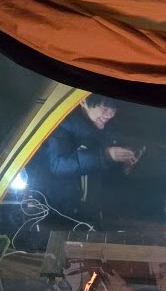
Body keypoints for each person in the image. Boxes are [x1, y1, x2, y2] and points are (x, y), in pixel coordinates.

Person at [34, 94, 137, 222]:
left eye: (114, 109)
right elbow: (58, 165)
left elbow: (101, 169)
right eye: (104, 109)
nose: (110, 115)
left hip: (92, 209)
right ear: (83, 101)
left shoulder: (105, 127)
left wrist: (123, 163)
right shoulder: (61, 124)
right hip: (63, 210)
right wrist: (105, 155)